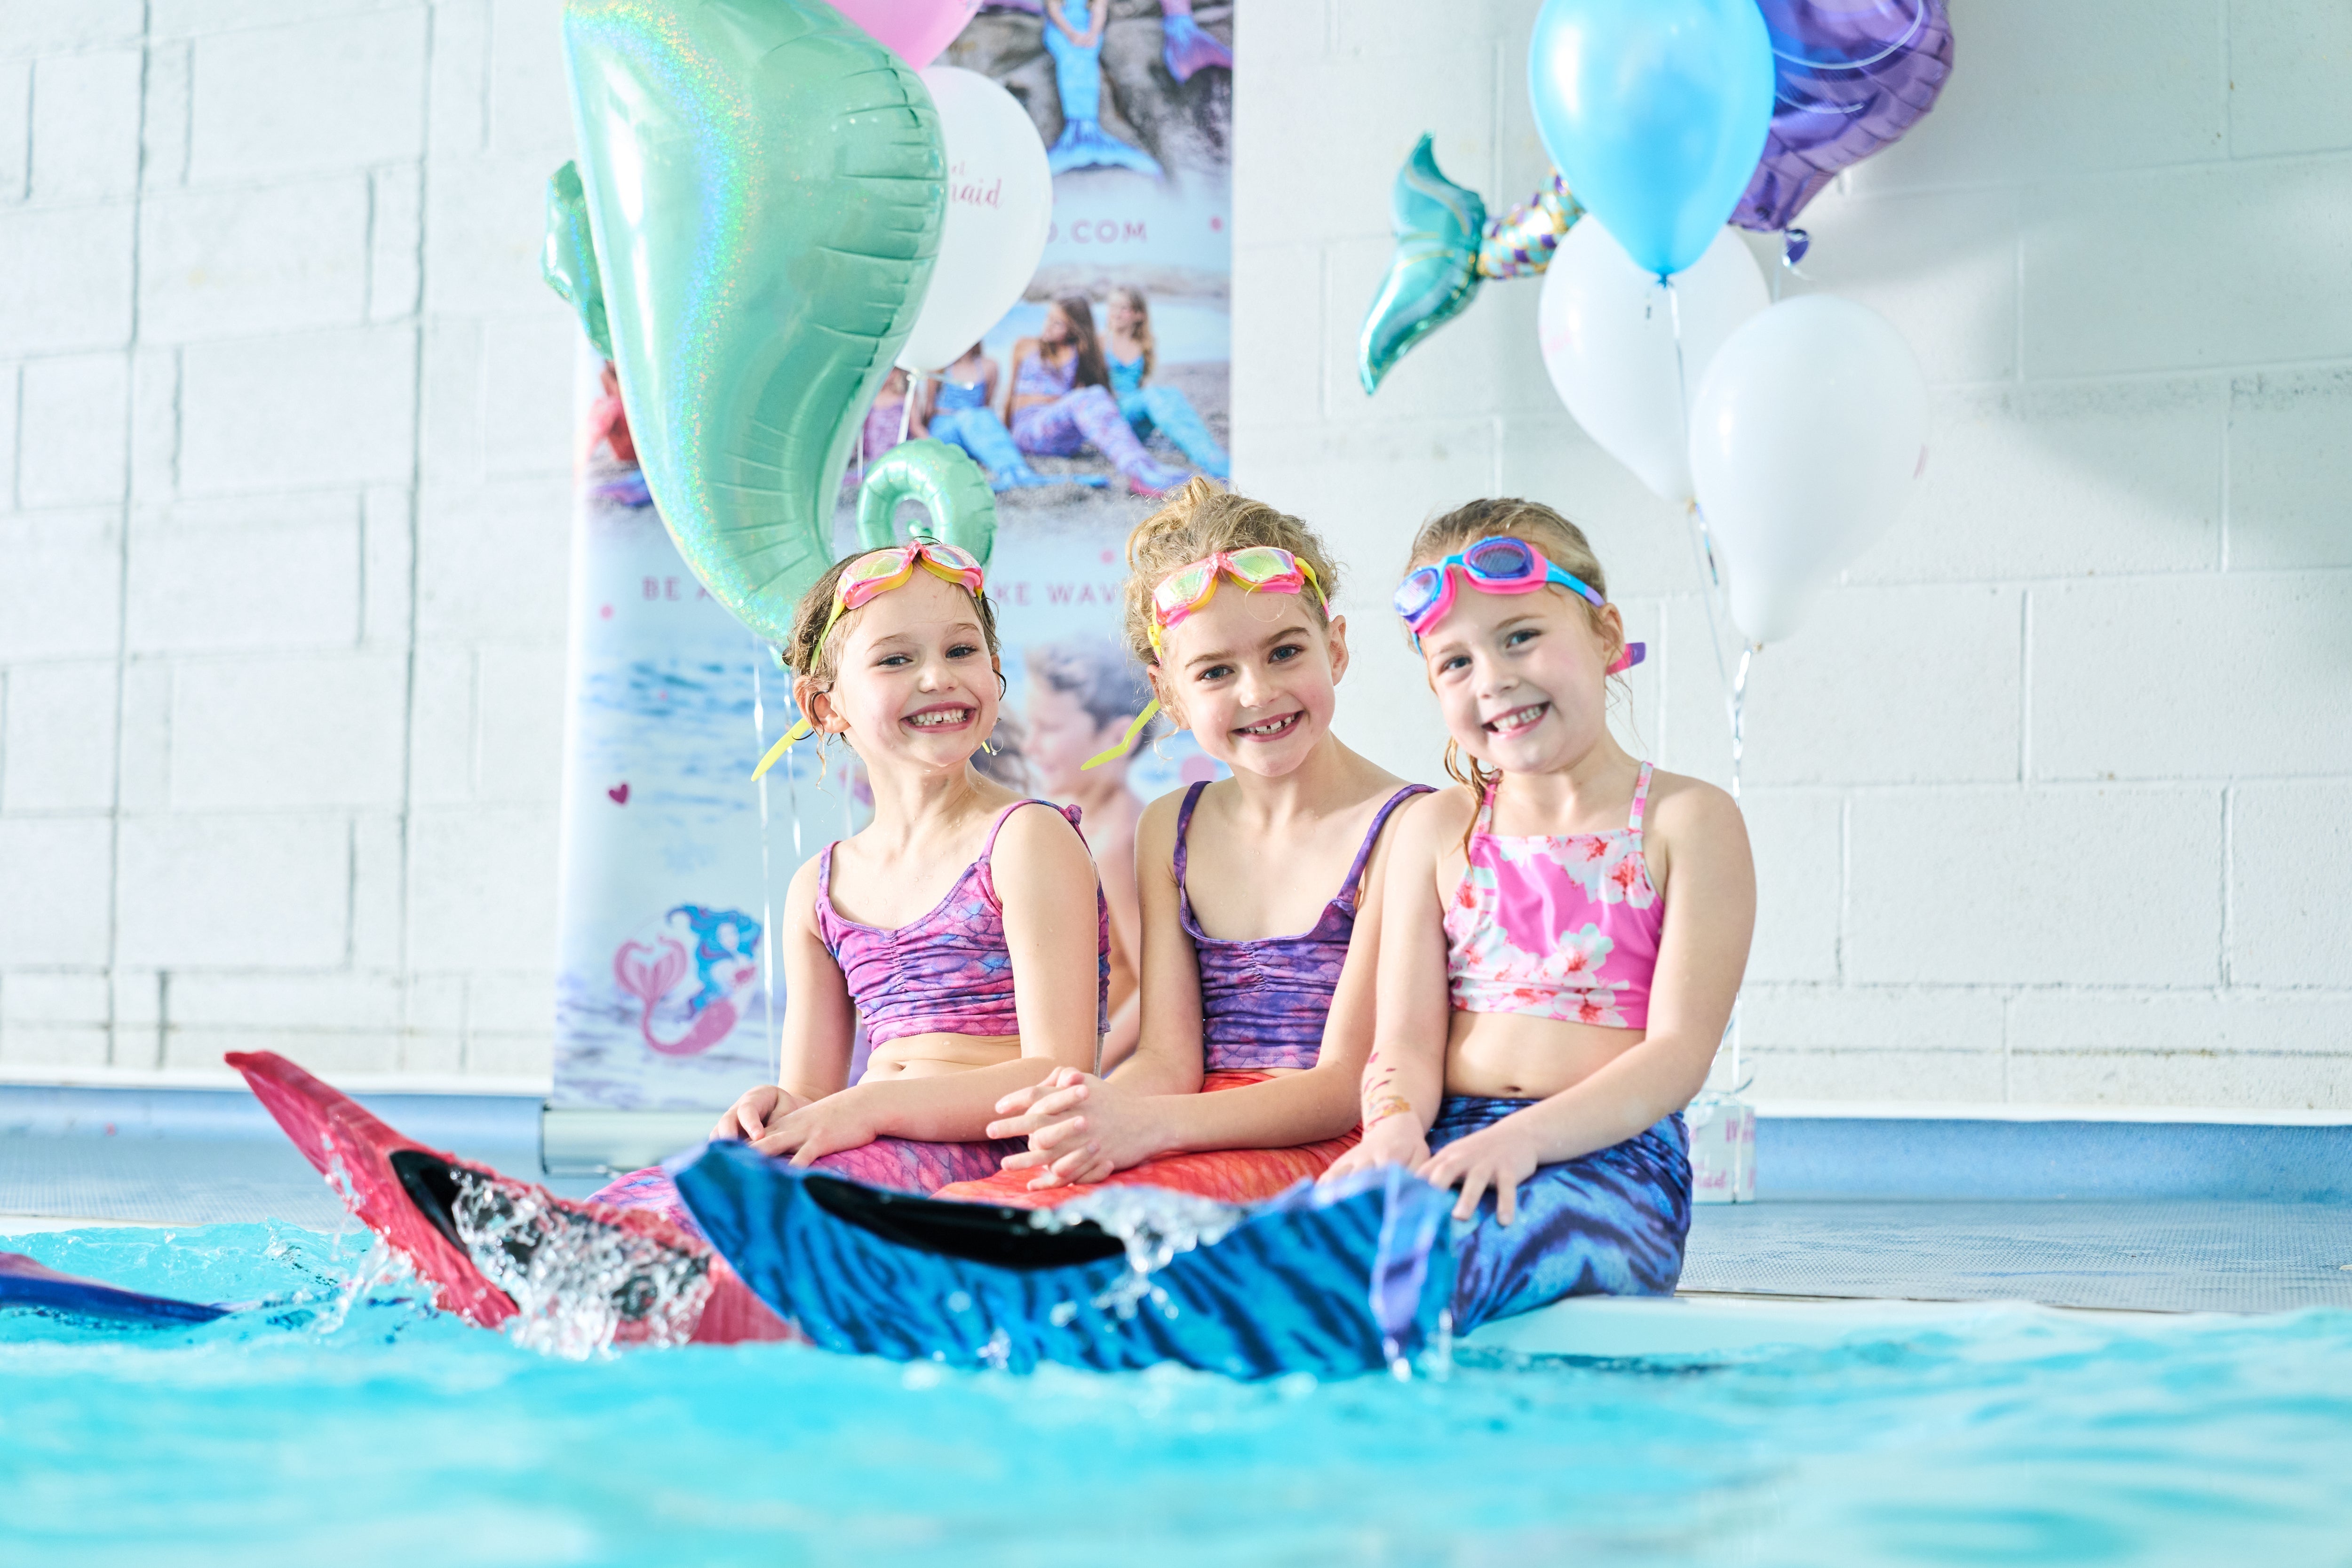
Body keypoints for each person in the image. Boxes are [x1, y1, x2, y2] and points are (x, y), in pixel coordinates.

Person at [1320, 499, 1755, 1331]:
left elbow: (1677, 1056)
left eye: (1520, 635)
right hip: (1452, 1135)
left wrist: (1524, 1139)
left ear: (1605, 632)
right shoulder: (1436, 828)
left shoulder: (1685, 822)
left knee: (1427, 1272)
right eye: (1455, 661)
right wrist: (1393, 1126)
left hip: (1612, 1156)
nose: (1492, 677)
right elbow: (1406, 1041)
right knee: (1293, 1259)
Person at [591, 539, 1110, 1227]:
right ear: (824, 706)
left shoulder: (1023, 839)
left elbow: (1057, 1075)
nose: (937, 677)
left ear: (994, 671)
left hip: (987, 1154)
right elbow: (812, 1091)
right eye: (897, 658)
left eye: (961, 651)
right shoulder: (819, 889)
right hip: (871, 1142)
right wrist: (775, 1107)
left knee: (770, 1204)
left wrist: (868, 1107)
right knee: (651, 1194)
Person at [938, 479, 1427, 1208]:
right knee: (980, 1206)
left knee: (1061, 1227)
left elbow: (1344, 1087)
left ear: (1337, 646)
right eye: (1216, 672)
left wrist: (1150, 1125)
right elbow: (1168, 1059)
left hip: (1324, 1152)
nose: (1258, 693)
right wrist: (1088, 1111)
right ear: (1167, 694)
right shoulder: (1172, 827)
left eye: (1285, 651)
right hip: (1190, 1128)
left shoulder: (1406, 826)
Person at [1019, 638, 1153, 1067]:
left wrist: (1089, 1075)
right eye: (1031, 727)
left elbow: (1157, 988)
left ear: (1119, 735)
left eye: (1050, 729)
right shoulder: (1074, 827)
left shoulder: (1120, 841)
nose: (1030, 746)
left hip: (1100, 1067)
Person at [1007, 296, 1189, 496]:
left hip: (1064, 438)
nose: (1048, 326)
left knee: (1096, 394)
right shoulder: (1025, 345)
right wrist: (1005, 433)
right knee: (1090, 396)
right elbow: (1011, 393)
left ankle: (1144, 468)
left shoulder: (1078, 354)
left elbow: (1089, 407)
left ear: (1074, 329)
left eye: (1058, 323)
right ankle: (1140, 470)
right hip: (1030, 430)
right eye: (1048, 318)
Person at [910, 342, 1098, 493]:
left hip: (973, 425)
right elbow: (929, 407)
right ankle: (1010, 471)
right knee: (972, 416)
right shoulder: (939, 368)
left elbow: (986, 403)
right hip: (945, 425)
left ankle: (1015, 471)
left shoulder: (989, 366)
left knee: (980, 416)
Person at [1104, 286, 1231, 481]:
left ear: (1139, 315)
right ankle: (1215, 461)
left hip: (1136, 419)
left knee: (1171, 394)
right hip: (1112, 416)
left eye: (1124, 308)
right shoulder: (1100, 342)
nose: (1116, 313)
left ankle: (1212, 456)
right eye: (1113, 306)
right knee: (1156, 395)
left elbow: (1141, 384)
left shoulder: (1145, 345)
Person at [1043, 0, 1160, 176]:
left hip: (1088, 30)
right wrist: (1071, 34)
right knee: (1070, 59)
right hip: (1061, 32)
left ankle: (1089, 132)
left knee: (1086, 58)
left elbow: (1099, 11)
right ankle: (1075, 132)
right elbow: (1054, 11)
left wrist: (1092, 34)